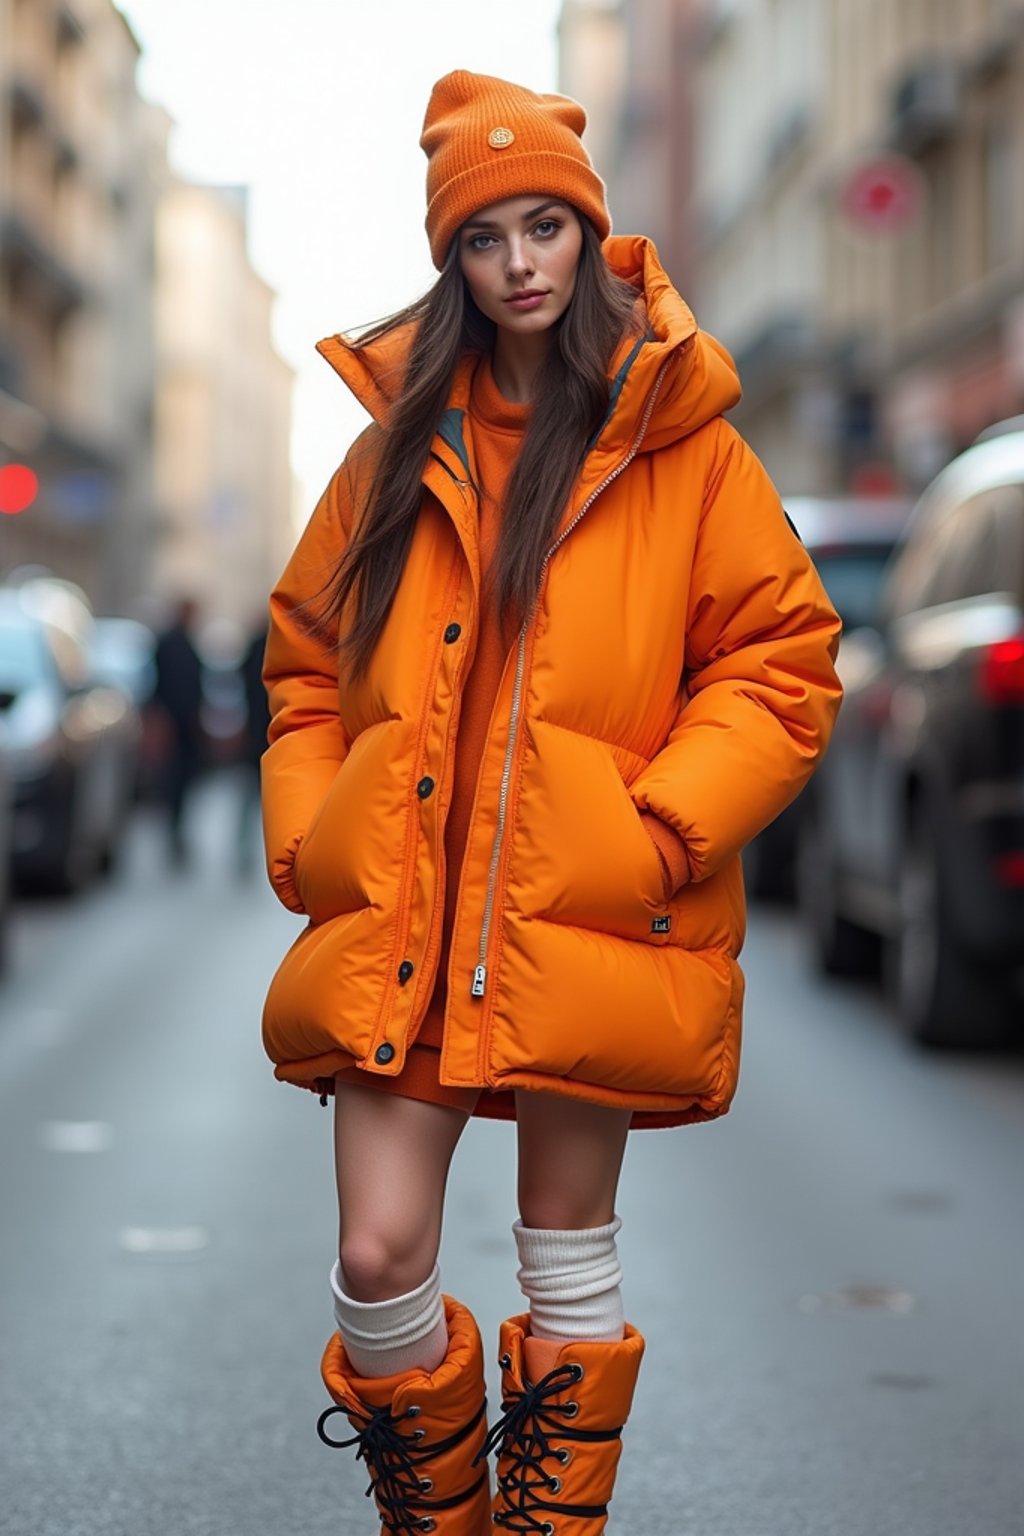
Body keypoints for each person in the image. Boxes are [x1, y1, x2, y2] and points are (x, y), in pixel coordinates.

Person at [260, 71, 842, 1535]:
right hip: (404, 912)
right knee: (381, 1258)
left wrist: (657, 831)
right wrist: (307, 830)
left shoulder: (682, 447)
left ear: (588, 238)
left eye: (546, 228)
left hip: (582, 914)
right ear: (450, 262)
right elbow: (305, 667)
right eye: (484, 238)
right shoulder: (393, 451)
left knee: (564, 1257)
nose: (519, 262)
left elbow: (782, 662)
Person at [152, 596, 204, 866]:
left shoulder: (189, 643)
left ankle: (178, 831)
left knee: (185, 780)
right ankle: (172, 832)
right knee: (173, 781)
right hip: (172, 725)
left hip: (188, 728)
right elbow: (156, 685)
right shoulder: (168, 643)